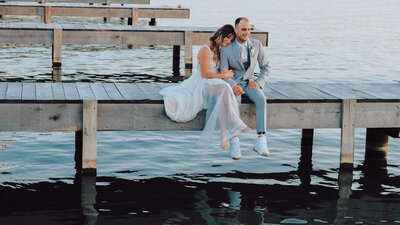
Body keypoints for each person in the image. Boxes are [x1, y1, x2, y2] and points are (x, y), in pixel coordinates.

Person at [160, 24, 250, 159]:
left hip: (214, 82)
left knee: (224, 93)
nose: (228, 42)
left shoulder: (220, 51)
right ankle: (232, 123)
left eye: (231, 40)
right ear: (220, 33)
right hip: (202, 83)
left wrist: (227, 73)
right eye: (228, 38)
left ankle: (224, 137)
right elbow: (205, 73)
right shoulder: (205, 50)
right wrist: (224, 76)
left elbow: (220, 70)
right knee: (225, 88)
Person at [220, 17, 271, 159]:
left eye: (249, 29)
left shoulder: (256, 44)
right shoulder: (226, 48)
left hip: (250, 83)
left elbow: (266, 66)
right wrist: (233, 85)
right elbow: (223, 72)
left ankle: (261, 140)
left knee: (261, 98)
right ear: (236, 30)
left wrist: (259, 82)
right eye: (243, 29)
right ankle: (234, 140)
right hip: (233, 82)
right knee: (234, 100)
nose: (246, 32)